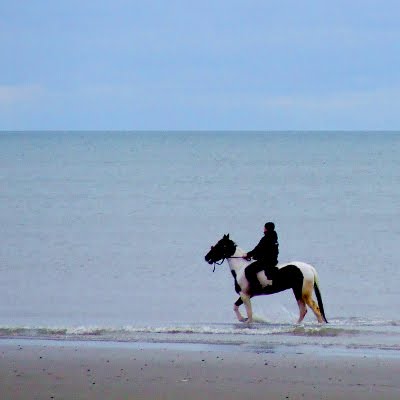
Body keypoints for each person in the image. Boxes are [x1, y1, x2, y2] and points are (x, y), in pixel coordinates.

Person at [242, 222, 279, 289]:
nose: (263, 229)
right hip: (273, 260)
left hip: (266, 261)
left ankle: (256, 286)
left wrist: (248, 255)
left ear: (266, 228)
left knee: (248, 270)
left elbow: (257, 249)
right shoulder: (274, 237)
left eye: (264, 228)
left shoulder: (266, 238)